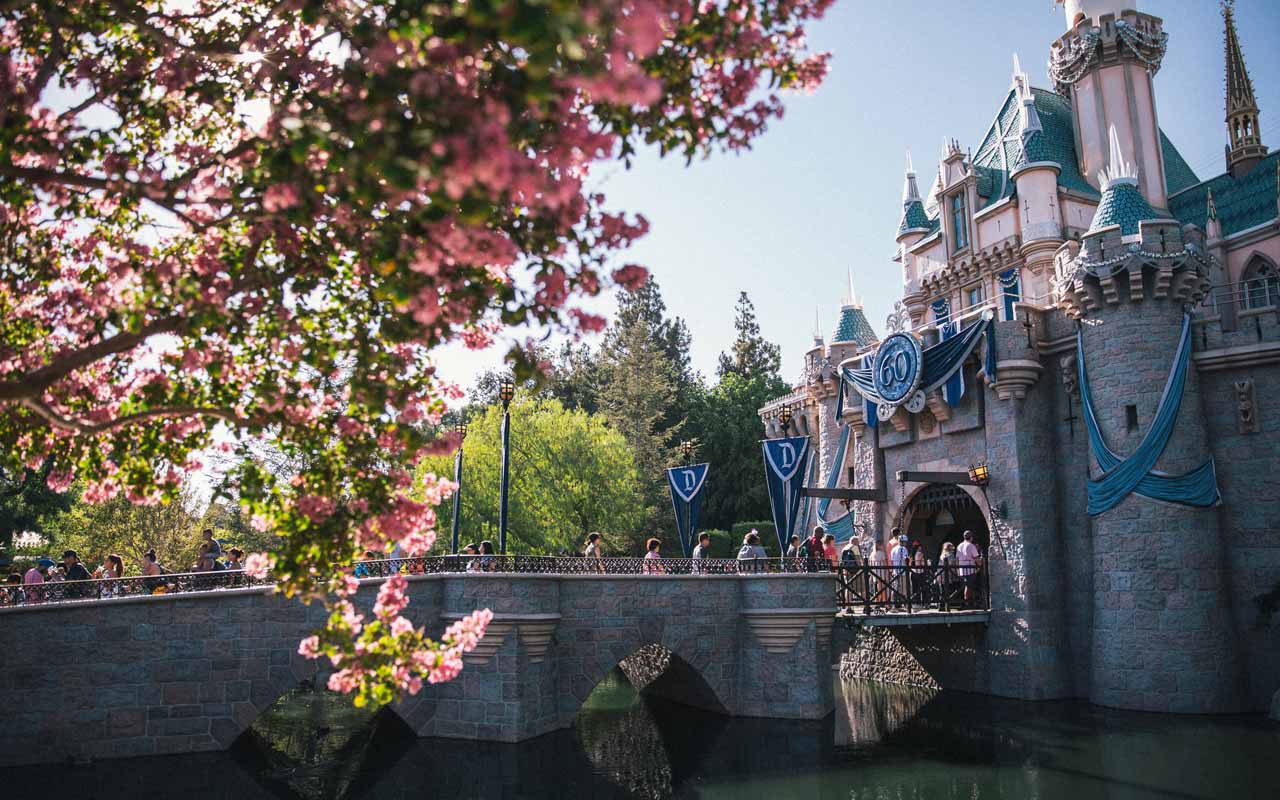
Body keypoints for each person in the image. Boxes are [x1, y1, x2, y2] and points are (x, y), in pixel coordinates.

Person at [957, 530, 983, 608]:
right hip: (970, 568)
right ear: (971, 538)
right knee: (969, 586)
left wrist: (957, 570)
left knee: (967, 586)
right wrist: (980, 564)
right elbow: (976, 557)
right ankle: (967, 603)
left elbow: (957, 558)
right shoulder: (971, 546)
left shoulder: (959, 545)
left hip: (962, 569)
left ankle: (971, 602)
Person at [890, 534, 910, 607]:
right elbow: (906, 559)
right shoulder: (904, 549)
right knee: (903, 588)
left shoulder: (893, 549)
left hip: (895, 571)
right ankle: (905, 604)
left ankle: (894, 603)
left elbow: (892, 560)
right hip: (902, 571)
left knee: (895, 587)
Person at [937, 541, 958, 608]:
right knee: (949, 590)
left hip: (941, 574)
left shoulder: (942, 555)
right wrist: (956, 573)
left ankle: (941, 605)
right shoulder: (951, 555)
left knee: (942, 590)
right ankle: (947, 604)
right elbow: (952, 565)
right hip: (947, 574)